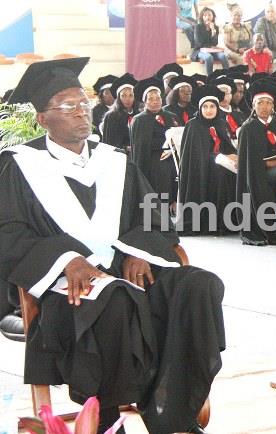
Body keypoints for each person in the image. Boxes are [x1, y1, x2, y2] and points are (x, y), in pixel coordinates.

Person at [1, 57, 225, 433]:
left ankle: (173, 417)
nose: (81, 113)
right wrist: (66, 259)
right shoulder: (19, 166)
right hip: (61, 288)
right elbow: (8, 233)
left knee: (198, 285)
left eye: (83, 104)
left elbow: (153, 215)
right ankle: (105, 420)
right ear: (42, 119)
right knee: (115, 303)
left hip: (125, 271)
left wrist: (139, 248)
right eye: (68, 106)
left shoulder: (114, 162)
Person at [237, 79, 276, 245]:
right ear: (253, 106)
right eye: (260, 102)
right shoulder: (249, 128)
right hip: (259, 172)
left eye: (268, 103)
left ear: (273, 106)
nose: (264, 106)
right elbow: (252, 162)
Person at [178, 84, 237, 235]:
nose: (209, 110)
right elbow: (195, 156)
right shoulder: (193, 125)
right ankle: (211, 222)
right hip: (200, 169)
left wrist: (234, 155)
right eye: (205, 107)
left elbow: (227, 146)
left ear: (217, 108)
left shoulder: (221, 123)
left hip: (221, 164)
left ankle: (229, 220)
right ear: (200, 108)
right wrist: (219, 157)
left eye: (212, 106)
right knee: (221, 173)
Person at [130, 78, 180, 207]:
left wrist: (172, 148)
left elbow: (179, 136)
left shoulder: (171, 116)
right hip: (151, 160)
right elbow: (141, 146)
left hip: (173, 156)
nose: (155, 102)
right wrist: (164, 146)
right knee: (160, 171)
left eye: (157, 98)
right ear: (145, 101)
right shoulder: (139, 120)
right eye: (151, 99)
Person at [101, 73, 138, 153]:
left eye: (131, 95)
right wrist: (126, 148)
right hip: (119, 157)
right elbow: (109, 144)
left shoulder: (139, 115)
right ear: (118, 97)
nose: (127, 99)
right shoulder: (111, 116)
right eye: (124, 95)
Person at [195, 7, 229, 76]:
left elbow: (215, 43)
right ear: (202, 17)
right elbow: (199, 43)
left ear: (213, 16)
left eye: (209, 15)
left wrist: (213, 30)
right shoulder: (198, 27)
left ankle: (227, 76)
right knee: (209, 57)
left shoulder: (215, 27)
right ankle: (210, 78)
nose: (207, 17)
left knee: (223, 56)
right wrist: (210, 46)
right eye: (205, 15)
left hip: (212, 50)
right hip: (200, 50)